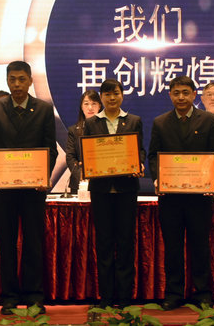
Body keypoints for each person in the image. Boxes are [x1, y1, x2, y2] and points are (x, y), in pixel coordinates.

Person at [0, 61, 57, 315]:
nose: (17, 84)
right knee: (7, 244)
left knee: (34, 243)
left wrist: (43, 174)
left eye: (22, 79)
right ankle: (9, 297)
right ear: (7, 81)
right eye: (12, 79)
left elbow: (51, 149)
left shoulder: (43, 109)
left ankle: (34, 297)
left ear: (31, 81)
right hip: (4, 190)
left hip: (34, 190)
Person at [148, 76, 214, 310]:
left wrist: (211, 179)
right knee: (173, 248)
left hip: (200, 197)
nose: (181, 97)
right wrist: (157, 177)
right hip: (170, 198)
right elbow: (153, 156)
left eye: (185, 93)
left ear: (194, 95)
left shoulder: (208, 120)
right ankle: (173, 293)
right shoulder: (160, 122)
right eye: (176, 93)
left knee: (200, 246)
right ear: (170, 95)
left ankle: (203, 293)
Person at [80, 79, 144, 308]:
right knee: (104, 244)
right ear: (101, 98)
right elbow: (87, 152)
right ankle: (106, 297)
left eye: (115, 93)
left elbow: (140, 150)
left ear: (122, 95)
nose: (112, 98)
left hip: (126, 190)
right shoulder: (92, 123)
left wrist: (139, 163)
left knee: (126, 244)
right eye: (107, 94)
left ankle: (125, 297)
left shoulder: (134, 121)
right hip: (101, 191)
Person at [64, 90, 101, 194]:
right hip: (80, 184)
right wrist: (81, 174)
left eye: (94, 104)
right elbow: (70, 157)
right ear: (81, 107)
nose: (90, 107)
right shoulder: (73, 131)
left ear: (99, 106)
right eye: (86, 104)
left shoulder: (106, 128)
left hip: (103, 183)